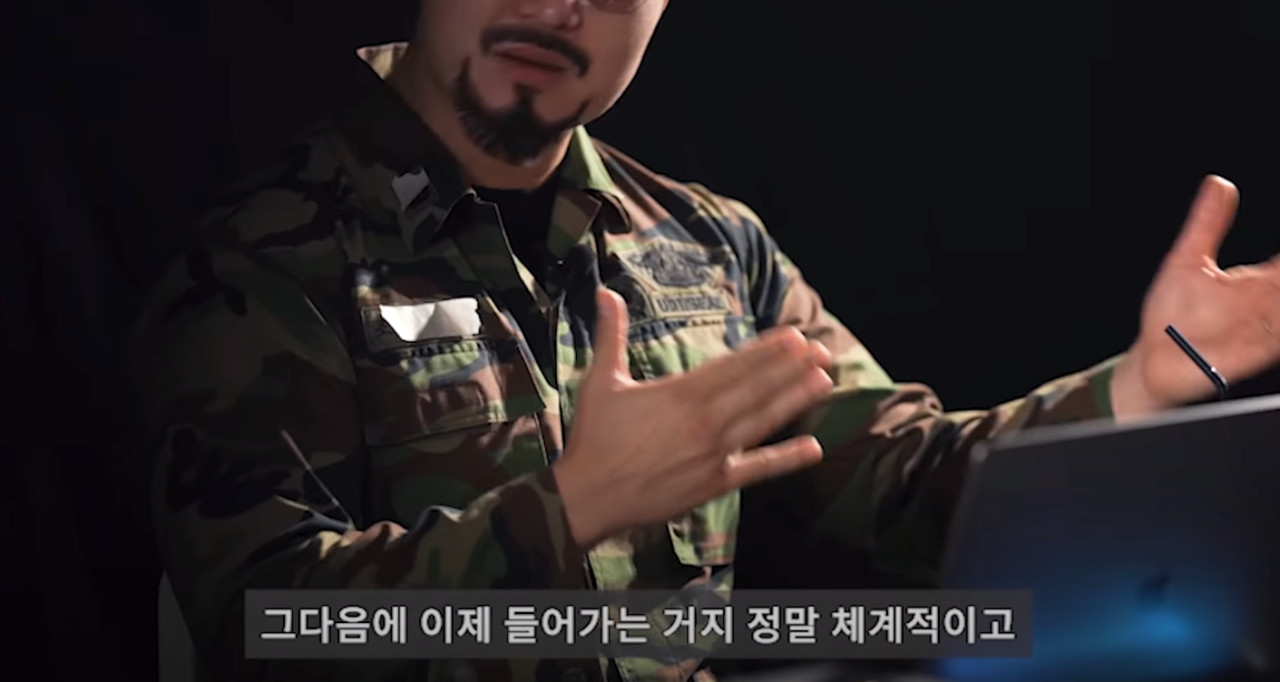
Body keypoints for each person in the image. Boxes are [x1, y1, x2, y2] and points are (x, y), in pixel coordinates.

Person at [130, 1, 1280, 681]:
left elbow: (907, 487)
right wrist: (570, 511)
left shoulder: (707, 247)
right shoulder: (266, 256)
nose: (561, 5)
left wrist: (1140, 384)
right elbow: (264, 628)